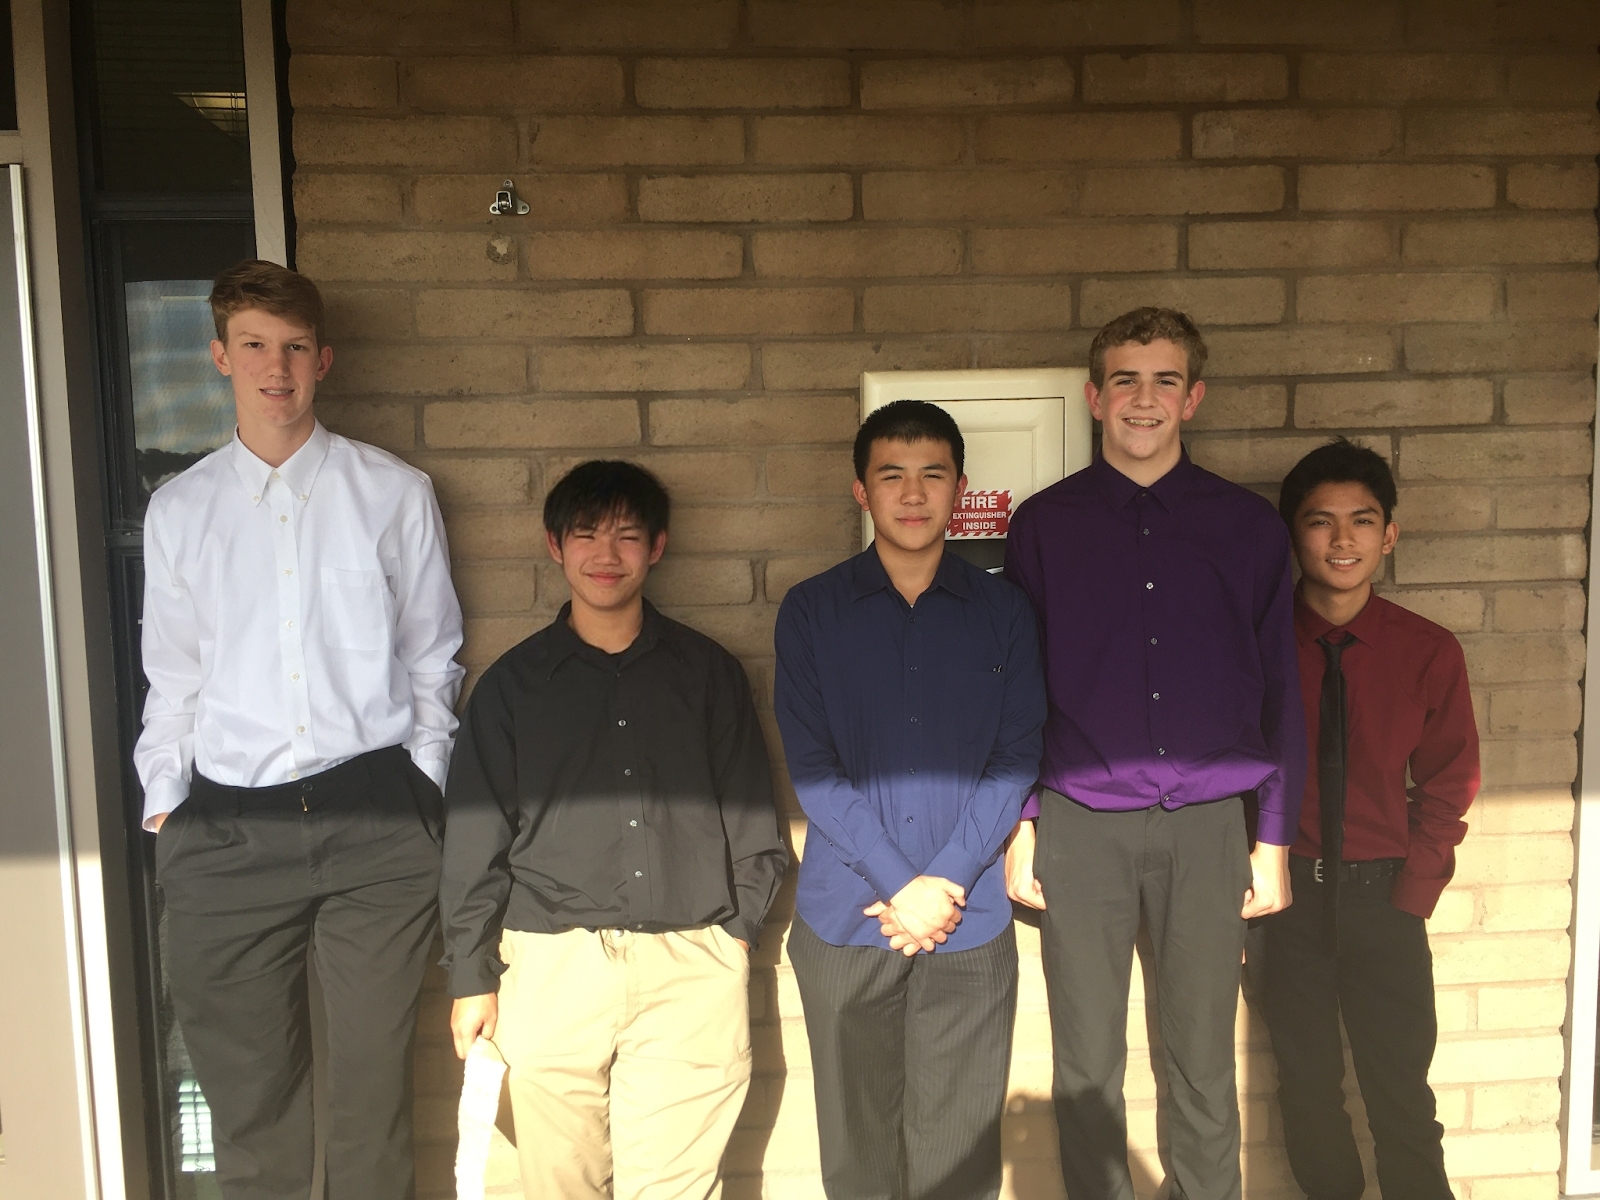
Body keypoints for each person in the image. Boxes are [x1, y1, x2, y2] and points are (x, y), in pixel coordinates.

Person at [134, 259, 464, 1200]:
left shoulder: (392, 493)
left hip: (375, 821)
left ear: (324, 360)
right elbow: (175, 674)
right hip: (226, 829)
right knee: (250, 1113)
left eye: (292, 350)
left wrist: (424, 782)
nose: (274, 369)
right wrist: (167, 803)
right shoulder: (181, 510)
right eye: (252, 348)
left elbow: (432, 653)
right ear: (218, 358)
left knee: (373, 1106)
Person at [1002, 307, 1306, 1200]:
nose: (1144, 398)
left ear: (1194, 396)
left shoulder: (1248, 529)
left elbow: (1282, 688)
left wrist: (1275, 840)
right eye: (1125, 380)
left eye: (1165, 379)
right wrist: (1023, 823)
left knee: (1204, 1060)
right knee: (1087, 1066)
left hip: (1212, 826)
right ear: (1095, 397)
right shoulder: (1043, 526)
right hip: (1081, 823)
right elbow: (1017, 691)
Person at [441, 460, 788, 1200]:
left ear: (657, 547)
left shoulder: (707, 673)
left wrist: (736, 932)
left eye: (628, 535)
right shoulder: (510, 688)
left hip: (691, 965)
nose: (607, 554)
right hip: (550, 970)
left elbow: (754, 818)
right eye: (587, 534)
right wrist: (472, 976)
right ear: (554, 546)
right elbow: (475, 843)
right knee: (559, 1188)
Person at [774, 400, 1047, 1200]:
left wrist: (947, 879)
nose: (913, 493)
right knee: (857, 1161)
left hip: (969, 925)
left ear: (960, 488)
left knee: (958, 1159)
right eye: (891, 475)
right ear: (862, 491)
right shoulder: (812, 610)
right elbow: (815, 769)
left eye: (933, 474)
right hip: (846, 918)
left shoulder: (1003, 612)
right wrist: (902, 884)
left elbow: (1017, 755)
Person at [1253, 439, 1477, 1199]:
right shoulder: (1258, 648)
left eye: (1361, 521)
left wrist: (1416, 889)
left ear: (1389, 534)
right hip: (1289, 902)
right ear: (1295, 535)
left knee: (1403, 1097)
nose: (1341, 540)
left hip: (1387, 901)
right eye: (1320, 522)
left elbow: (1451, 778)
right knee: (1309, 1093)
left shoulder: (1427, 651)